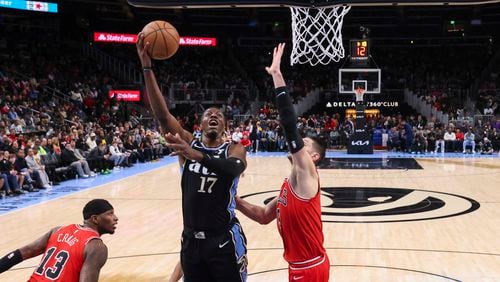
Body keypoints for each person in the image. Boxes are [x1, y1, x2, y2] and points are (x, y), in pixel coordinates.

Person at [137, 32, 248, 281]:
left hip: (223, 239)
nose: (213, 116)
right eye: (209, 114)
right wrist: (147, 67)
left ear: (225, 127)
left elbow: (232, 170)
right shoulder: (188, 141)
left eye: (219, 116)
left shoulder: (233, 149)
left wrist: (195, 155)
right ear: (199, 124)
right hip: (191, 241)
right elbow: (163, 116)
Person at [235, 43, 329, 282]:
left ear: (314, 157)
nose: (299, 144)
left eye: (304, 144)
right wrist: (234, 200)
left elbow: (289, 126)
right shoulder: (291, 183)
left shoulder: (307, 172)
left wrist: (277, 76)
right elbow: (264, 215)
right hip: (299, 266)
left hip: (309, 268)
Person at [0, 199, 118, 281]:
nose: (115, 218)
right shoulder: (96, 246)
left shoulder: (58, 230)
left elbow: (21, 253)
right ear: (95, 219)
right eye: (110, 214)